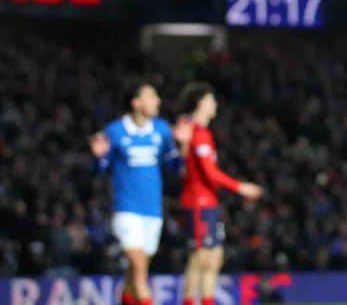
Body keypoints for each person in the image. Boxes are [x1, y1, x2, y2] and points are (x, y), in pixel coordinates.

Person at [88, 81, 187, 305]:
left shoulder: (161, 129)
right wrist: (97, 159)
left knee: (135, 274)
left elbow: (175, 167)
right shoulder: (115, 131)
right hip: (127, 210)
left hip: (153, 211)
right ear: (136, 103)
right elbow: (99, 171)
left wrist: (184, 145)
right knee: (140, 270)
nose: (157, 101)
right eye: (152, 97)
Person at [177, 83, 265, 305]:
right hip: (197, 202)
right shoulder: (195, 132)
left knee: (215, 258)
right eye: (211, 100)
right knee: (200, 258)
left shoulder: (203, 132)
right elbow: (209, 172)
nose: (215, 104)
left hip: (210, 202)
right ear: (200, 103)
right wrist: (240, 187)